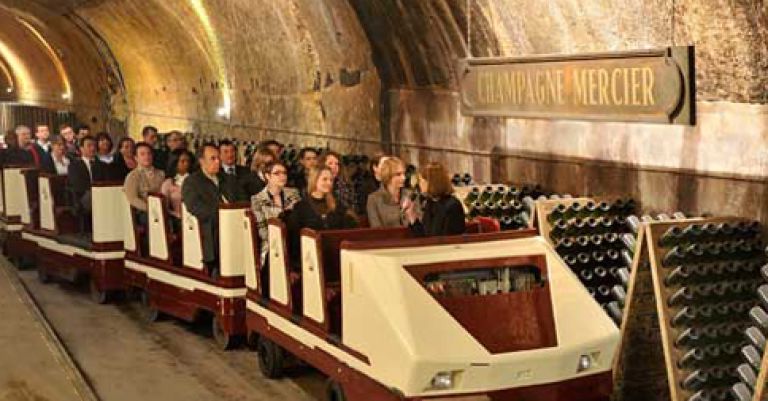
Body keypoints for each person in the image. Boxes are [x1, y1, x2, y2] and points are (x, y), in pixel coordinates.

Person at [182, 144, 242, 275]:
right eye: (213, 159)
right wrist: (223, 217)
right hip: (210, 226)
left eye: (218, 158)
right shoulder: (192, 182)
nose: (218, 162)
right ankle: (217, 269)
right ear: (201, 161)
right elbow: (195, 207)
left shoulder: (229, 179)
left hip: (234, 224)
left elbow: (242, 200)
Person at [286, 166, 357, 266]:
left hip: (336, 258)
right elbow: (295, 240)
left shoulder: (337, 206)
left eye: (331, 180)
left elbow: (348, 229)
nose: (329, 183)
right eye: (324, 179)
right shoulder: (301, 207)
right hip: (311, 260)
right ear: (314, 180)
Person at [251, 161, 301, 268]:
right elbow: (262, 230)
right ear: (267, 176)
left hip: (294, 241)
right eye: (277, 173)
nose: (282, 176)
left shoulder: (293, 193)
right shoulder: (257, 199)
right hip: (271, 243)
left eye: (284, 173)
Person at [404, 162, 465, 237]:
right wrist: (412, 216)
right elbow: (424, 236)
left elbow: (448, 238)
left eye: (421, 180)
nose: (419, 184)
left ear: (432, 182)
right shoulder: (430, 202)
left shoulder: (453, 206)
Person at [67, 135, 108, 222]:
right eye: (89, 146)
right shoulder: (74, 165)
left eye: (94, 145)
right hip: (83, 197)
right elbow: (78, 185)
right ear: (81, 148)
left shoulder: (102, 165)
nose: (92, 148)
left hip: (102, 195)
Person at [123, 142, 165, 223]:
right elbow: (133, 198)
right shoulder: (133, 176)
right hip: (143, 211)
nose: (147, 157)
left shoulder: (161, 173)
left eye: (149, 154)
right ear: (136, 157)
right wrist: (150, 208)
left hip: (161, 208)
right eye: (142, 154)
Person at [366, 157, 408, 228]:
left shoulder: (410, 195)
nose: (404, 178)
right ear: (388, 176)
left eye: (404, 173)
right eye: (398, 174)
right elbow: (376, 228)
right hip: (387, 238)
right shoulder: (373, 199)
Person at [160, 149, 194, 220]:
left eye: (188, 161)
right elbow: (164, 208)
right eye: (183, 161)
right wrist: (177, 215)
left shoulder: (195, 179)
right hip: (177, 219)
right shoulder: (168, 183)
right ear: (175, 163)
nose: (186, 163)